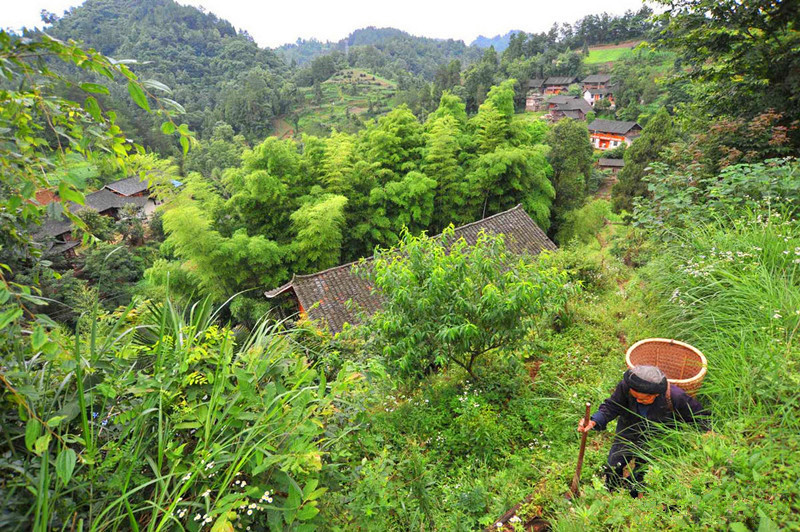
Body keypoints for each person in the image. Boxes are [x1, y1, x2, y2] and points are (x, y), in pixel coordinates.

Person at [577, 365, 708, 497]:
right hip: (629, 430)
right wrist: (594, 420)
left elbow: (701, 417)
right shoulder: (626, 387)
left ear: (656, 394)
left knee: (641, 476)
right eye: (635, 398)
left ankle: (633, 495)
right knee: (613, 465)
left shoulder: (675, 397)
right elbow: (612, 406)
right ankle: (611, 491)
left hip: (656, 439)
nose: (638, 401)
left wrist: (706, 435)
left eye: (644, 399)